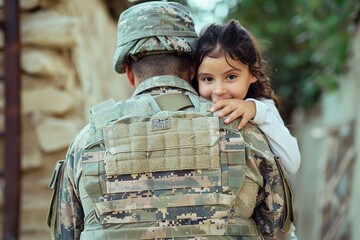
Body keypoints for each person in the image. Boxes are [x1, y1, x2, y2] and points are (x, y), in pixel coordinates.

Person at [47, 2, 294, 239]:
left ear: (130, 74)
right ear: (192, 70)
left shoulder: (85, 141)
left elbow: (65, 233)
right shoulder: (243, 129)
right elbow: (278, 230)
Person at [193, 20, 301, 176]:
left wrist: (256, 110)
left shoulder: (263, 107)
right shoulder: (191, 106)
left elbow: (292, 164)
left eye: (231, 76)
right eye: (207, 79)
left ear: (253, 73)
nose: (219, 90)